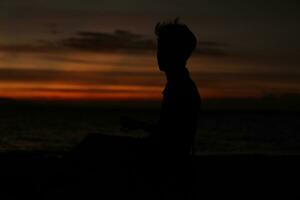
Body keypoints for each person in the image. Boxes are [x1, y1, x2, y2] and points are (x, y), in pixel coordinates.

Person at [121, 18, 201, 157]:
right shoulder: (179, 84)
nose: (159, 53)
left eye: (164, 48)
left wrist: (138, 125)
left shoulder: (180, 87)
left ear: (178, 52)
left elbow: (169, 136)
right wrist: (139, 125)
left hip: (165, 158)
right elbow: (168, 130)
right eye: (159, 48)